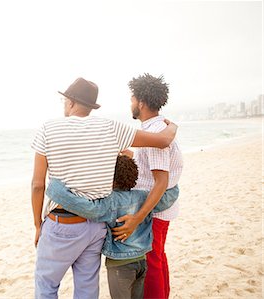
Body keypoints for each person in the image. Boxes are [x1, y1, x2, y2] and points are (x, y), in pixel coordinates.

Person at [31, 77, 178, 299]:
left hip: (61, 224)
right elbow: (163, 140)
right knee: (87, 290)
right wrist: (173, 125)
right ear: (90, 106)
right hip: (94, 228)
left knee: (46, 286)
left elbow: (38, 185)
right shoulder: (111, 127)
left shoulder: (47, 128)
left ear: (70, 102)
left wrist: (37, 225)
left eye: (64, 101)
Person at [45, 155, 179, 299]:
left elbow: (87, 208)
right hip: (142, 260)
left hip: (120, 265)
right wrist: (172, 182)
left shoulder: (110, 202)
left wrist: (56, 189)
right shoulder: (144, 197)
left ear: (110, 178)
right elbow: (168, 198)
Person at [111, 73, 183, 299]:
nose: (130, 103)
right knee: (158, 257)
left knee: (152, 262)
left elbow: (160, 181)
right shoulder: (158, 127)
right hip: (161, 207)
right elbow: (150, 163)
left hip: (155, 210)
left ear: (141, 102)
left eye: (132, 99)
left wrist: (136, 219)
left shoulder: (154, 133)